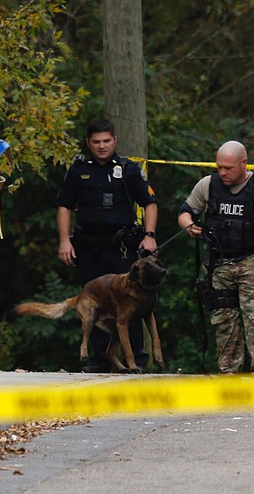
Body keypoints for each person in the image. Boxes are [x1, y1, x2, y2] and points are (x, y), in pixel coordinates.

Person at [177, 140, 254, 374]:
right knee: (224, 322)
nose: (222, 172)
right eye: (219, 167)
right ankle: (228, 375)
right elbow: (185, 212)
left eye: (228, 168)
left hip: (252, 263)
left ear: (244, 163)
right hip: (218, 264)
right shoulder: (208, 185)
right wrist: (189, 225)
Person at [56, 118, 159, 373]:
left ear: (115, 140)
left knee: (132, 303)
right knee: (96, 304)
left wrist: (150, 234)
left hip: (122, 247)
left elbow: (150, 202)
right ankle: (101, 361)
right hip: (89, 247)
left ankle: (137, 361)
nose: (102, 146)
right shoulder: (78, 170)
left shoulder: (129, 170)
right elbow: (64, 206)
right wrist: (64, 240)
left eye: (106, 141)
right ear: (88, 143)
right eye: (96, 142)